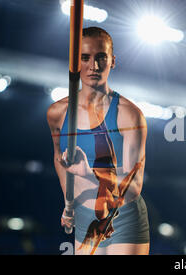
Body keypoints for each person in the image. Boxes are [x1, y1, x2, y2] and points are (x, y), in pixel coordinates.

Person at [46, 27, 150, 255]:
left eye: (101, 57)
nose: (93, 66)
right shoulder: (57, 113)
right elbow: (59, 158)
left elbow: (132, 187)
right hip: (85, 216)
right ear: (74, 62)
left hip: (123, 217)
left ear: (113, 61)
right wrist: (69, 203)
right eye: (85, 57)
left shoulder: (129, 116)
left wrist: (88, 171)